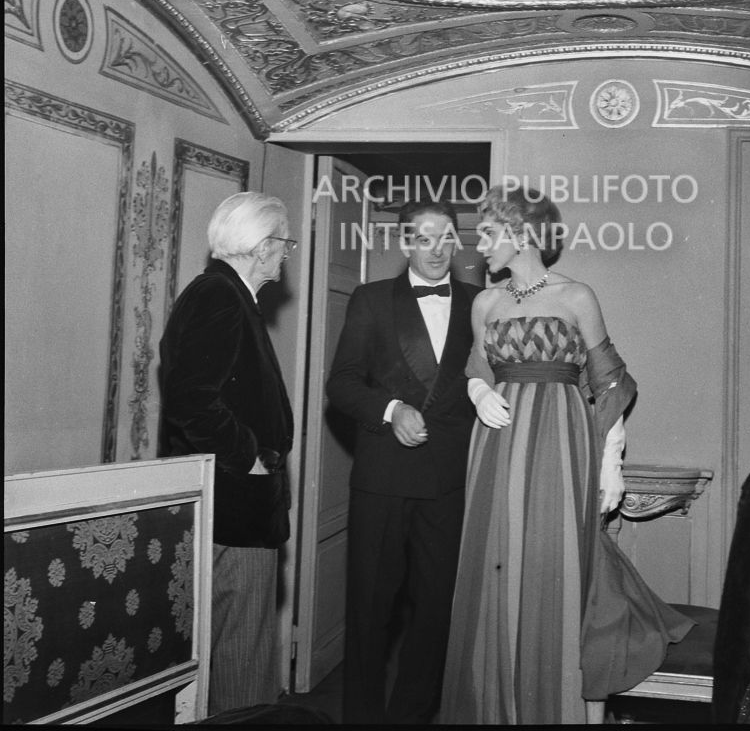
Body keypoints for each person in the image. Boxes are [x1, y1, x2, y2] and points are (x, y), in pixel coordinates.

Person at [440, 184, 693, 725]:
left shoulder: (578, 296)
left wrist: (610, 463)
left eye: (488, 233)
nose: (478, 246)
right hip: (497, 444)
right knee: (497, 567)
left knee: (555, 565)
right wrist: (479, 392)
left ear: (521, 233)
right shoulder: (485, 302)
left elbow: (611, 383)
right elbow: (476, 368)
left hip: (561, 441)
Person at [326, 198, 481, 724]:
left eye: (445, 238)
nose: (436, 250)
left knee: (436, 614)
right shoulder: (371, 300)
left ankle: (412, 719)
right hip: (384, 480)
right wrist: (391, 410)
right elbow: (341, 384)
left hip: (450, 482)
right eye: (424, 239)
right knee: (370, 614)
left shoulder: (481, 303)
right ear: (405, 243)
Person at [158, 191, 295, 716]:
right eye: (283, 243)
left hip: (237, 509)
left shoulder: (225, 294)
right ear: (261, 247)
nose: (286, 255)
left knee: (238, 652)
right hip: (235, 510)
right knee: (241, 657)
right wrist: (252, 458)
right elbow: (192, 400)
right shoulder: (218, 296)